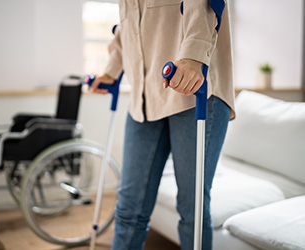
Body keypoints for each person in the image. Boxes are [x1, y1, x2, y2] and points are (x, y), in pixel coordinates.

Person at [89, 0, 235, 249]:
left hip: (196, 90)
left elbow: (202, 6)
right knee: (128, 208)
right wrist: (111, 71)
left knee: (193, 208)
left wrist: (193, 55)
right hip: (145, 99)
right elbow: (128, 27)